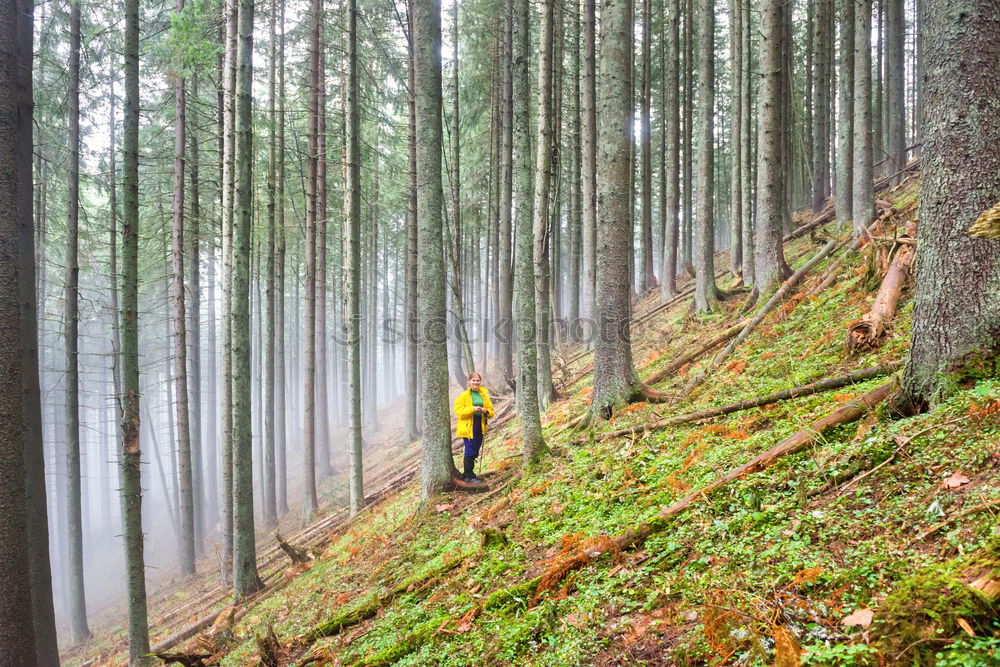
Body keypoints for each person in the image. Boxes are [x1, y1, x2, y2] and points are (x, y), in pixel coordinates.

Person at [453, 372, 495, 482]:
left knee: (476, 448)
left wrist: (485, 411)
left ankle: (469, 473)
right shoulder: (464, 396)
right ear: (469, 382)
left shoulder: (484, 394)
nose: (475, 382)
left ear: (480, 382)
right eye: (473, 380)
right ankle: (468, 475)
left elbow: (491, 411)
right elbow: (458, 411)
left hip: (480, 424)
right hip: (468, 426)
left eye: (477, 380)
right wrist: (472, 409)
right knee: (470, 448)